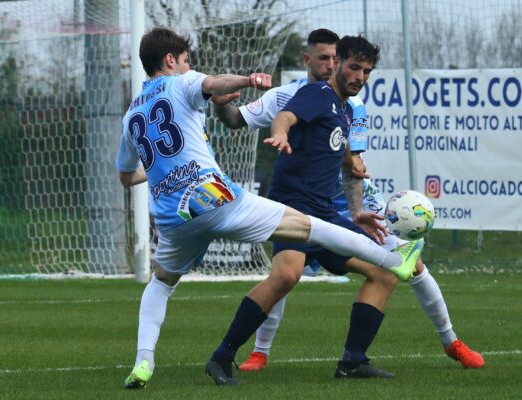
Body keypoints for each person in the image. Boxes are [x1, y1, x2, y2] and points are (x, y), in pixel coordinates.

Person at [116, 27, 422, 390]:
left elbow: (126, 176)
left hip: (172, 218)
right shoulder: (179, 83)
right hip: (214, 198)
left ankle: (143, 362)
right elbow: (214, 83)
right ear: (170, 60)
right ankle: (394, 261)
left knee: (162, 283)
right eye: (185, 60)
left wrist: (162, 172)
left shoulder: (131, 116)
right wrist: (247, 79)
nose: (188, 66)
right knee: (310, 226)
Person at [213, 29, 484, 373]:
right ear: (326, 62)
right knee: (286, 276)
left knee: (386, 274)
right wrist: (279, 133)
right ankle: (229, 355)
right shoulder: (315, 94)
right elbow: (282, 117)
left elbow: (340, 154)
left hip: (327, 215)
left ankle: (353, 361)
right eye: (354, 68)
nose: (360, 77)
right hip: (295, 211)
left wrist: (355, 205)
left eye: (366, 72)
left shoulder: (346, 110)